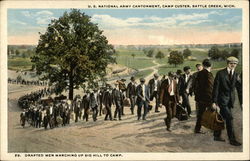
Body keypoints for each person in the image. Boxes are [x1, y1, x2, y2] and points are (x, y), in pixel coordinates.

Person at [212, 56, 242, 146]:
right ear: (227, 63)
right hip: (221, 100)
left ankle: (216, 135)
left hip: (230, 101)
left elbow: (239, 89)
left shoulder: (236, 75)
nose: (233, 65)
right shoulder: (220, 73)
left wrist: (242, 102)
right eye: (231, 63)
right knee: (229, 118)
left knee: (221, 117)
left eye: (235, 64)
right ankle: (232, 140)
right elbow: (215, 89)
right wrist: (214, 102)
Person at [194, 59, 213, 134]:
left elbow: (196, 86)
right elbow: (210, 88)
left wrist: (197, 96)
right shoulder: (209, 74)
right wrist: (213, 99)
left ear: (203, 65)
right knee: (213, 112)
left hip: (200, 98)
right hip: (208, 98)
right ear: (211, 65)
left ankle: (197, 129)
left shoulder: (199, 73)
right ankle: (213, 129)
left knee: (200, 114)